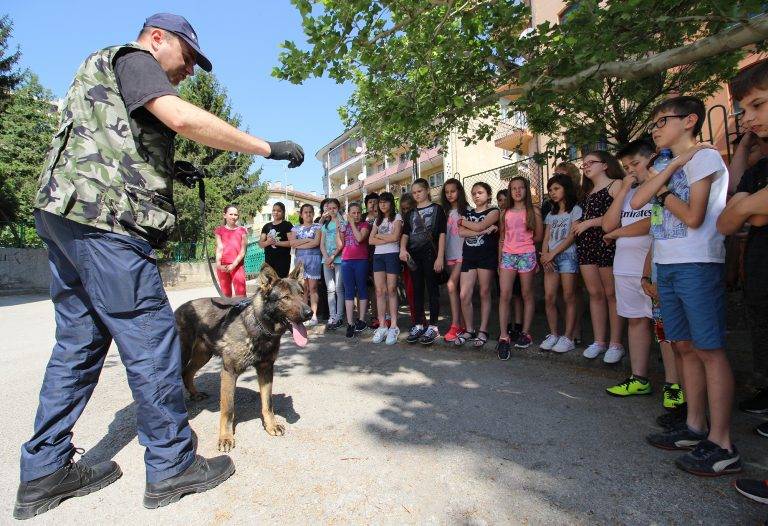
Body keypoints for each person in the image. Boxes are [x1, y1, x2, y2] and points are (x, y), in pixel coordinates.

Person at [17, 13, 305, 518]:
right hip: (108, 224)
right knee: (152, 339)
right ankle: (171, 464)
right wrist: (267, 147)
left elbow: (109, 140)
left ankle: (44, 470)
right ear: (157, 40)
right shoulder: (135, 58)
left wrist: (169, 167)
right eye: (187, 57)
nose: (189, 70)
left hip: (65, 215)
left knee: (78, 346)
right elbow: (183, 118)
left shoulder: (99, 69)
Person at [631, 96, 739, 476]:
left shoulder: (707, 159)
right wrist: (672, 166)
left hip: (698, 261)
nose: (655, 129)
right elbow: (640, 196)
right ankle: (695, 426)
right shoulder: (666, 162)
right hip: (668, 263)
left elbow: (693, 216)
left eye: (662, 122)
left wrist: (664, 189)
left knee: (708, 348)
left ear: (690, 120)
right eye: (654, 124)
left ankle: (723, 442)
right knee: (683, 346)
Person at [718, 62, 768, 425]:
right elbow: (725, 219)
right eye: (743, 109)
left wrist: (746, 207)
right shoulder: (756, 171)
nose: (747, 118)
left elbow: (743, 211)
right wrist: (751, 206)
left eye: (758, 105)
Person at [601, 141, 655, 394]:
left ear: (651, 159)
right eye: (626, 167)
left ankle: (674, 385)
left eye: (635, 164)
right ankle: (639, 378)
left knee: (663, 327)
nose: (631, 171)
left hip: (650, 266)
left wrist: (618, 233)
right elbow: (607, 225)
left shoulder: (661, 188)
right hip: (624, 266)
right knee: (635, 322)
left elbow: (651, 223)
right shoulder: (629, 192)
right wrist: (623, 190)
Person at [573, 151, 624, 363]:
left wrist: (588, 223)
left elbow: (620, 214)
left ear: (605, 165)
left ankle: (616, 343)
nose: (585, 166)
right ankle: (599, 341)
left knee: (611, 293)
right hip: (586, 245)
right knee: (594, 293)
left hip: (606, 242)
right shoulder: (587, 192)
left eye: (590, 162)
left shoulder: (616, 185)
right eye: (583, 164)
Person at [497, 176, 543, 358]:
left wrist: (525, 246)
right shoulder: (505, 212)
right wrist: (500, 260)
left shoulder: (535, 211)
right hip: (508, 256)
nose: (517, 191)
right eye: (513, 188)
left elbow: (538, 237)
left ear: (526, 190)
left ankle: (525, 333)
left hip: (526, 254)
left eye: (521, 188)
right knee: (505, 295)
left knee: (526, 294)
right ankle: (503, 336)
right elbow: (502, 238)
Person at [400, 178, 447, 346]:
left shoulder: (437, 209)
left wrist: (440, 257)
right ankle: (419, 324)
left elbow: (442, 234)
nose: (417, 195)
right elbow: (405, 233)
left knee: (433, 291)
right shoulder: (410, 213)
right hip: (414, 256)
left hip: (430, 255)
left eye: (419, 191)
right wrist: (403, 249)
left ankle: (433, 327)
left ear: (427, 190)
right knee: (417, 290)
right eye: (414, 192)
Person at [539, 174, 581, 354]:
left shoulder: (575, 210)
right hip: (550, 259)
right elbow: (547, 236)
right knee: (549, 297)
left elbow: (572, 236)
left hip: (568, 257)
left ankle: (569, 337)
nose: (552, 193)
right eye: (550, 190)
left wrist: (553, 253)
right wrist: (544, 255)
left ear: (566, 188)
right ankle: (554, 334)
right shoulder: (550, 213)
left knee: (569, 296)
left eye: (556, 188)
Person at [455, 182, 500, 348]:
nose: (476, 196)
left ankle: (483, 330)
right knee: (464, 294)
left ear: (488, 194)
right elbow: (461, 232)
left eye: (480, 192)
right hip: (469, 255)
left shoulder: (494, 211)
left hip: (486, 256)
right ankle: (469, 330)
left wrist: (465, 223)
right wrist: (482, 231)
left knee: (484, 292)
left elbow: (478, 224)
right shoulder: (468, 212)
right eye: (473, 193)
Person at [369, 192, 403, 345]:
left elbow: (395, 237)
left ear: (391, 203)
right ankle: (382, 325)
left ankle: (394, 326)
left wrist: (379, 237)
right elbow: (370, 240)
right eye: (380, 202)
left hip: (392, 255)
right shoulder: (377, 220)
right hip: (378, 256)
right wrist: (386, 236)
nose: (382, 205)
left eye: (385, 202)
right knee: (379, 291)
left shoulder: (397, 217)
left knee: (392, 289)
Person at [441, 178, 468, 343]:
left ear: (459, 191)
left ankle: (455, 324)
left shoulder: (467, 211)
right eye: (447, 192)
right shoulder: (444, 213)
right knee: (456, 290)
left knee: (451, 286)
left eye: (453, 191)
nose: (450, 194)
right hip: (449, 255)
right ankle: (464, 325)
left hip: (463, 255)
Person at [341, 202, 371, 338]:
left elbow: (359, 238)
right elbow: (341, 243)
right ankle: (350, 323)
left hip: (361, 260)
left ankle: (362, 320)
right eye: (353, 213)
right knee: (348, 291)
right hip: (346, 261)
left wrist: (352, 224)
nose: (356, 215)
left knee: (362, 288)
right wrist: (341, 228)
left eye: (358, 212)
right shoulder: (344, 226)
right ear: (348, 214)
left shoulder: (365, 225)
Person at [289, 204, 322, 326]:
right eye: (305, 212)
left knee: (313, 288)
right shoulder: (295, 228)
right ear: (301, 215)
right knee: (303, 289)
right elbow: (293, 243)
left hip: (314, 258)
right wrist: (309, 240)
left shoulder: (318, 226)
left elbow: (316, 243)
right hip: (300, 261)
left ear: (313, 214)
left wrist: (301, 243)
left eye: (310, 212)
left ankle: (313, 315)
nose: (308, 214)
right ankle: (303, 315)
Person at [319, 198, 345, 330]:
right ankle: (332, 316)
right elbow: (321, 244)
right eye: (330, 208)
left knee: (339, 289)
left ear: (338, 208)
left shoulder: (341, 223)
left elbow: (341, 243)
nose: (332, 210)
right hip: (326, 260)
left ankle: (339, 316)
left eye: (334, 208)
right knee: (330, 289)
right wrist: (327, 258)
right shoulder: (325, 226)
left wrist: (333, 257)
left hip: (339, 259)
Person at [214, 204, 248, 297]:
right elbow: (219, 247)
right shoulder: (219, 230)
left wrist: (233, 265)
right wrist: (218, 265)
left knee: (241, 295)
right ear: (224, 215)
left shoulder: (242, 231)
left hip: (237, 266)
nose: (233, 217)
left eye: (235, 215)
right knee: (225, 296)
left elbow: (243, 251)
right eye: (231, 214)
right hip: (223, 267)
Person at [399, 193, 418, 325]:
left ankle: (421, 321)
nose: (406, 211)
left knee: (417, 291)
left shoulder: (418, 219)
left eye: (408, 208)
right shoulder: (401, 222)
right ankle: (415, 321)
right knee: (410, 291)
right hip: (406, 261)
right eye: (403, 209)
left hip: (420, 259)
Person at [259, 202, 293, 278]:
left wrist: (276, 242)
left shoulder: (287, 225)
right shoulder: (267, 226)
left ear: (283, 212)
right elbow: (261, 244)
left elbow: (291, 242)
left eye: (279, 211)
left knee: (281, 284)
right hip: (269, 260)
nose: (276, 212)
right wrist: (267, 242)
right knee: (269, 285)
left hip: (283, 261)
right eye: (274, 210)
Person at [364, 193, 381, 327]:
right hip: (364, 256)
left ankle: (380, 316)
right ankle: (371, 315)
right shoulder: (362, 217)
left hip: (379, 254)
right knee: (367, 288)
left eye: (375, 202)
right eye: (370, 202)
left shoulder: (382, 217)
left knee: (379, 287)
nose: (373, 204)